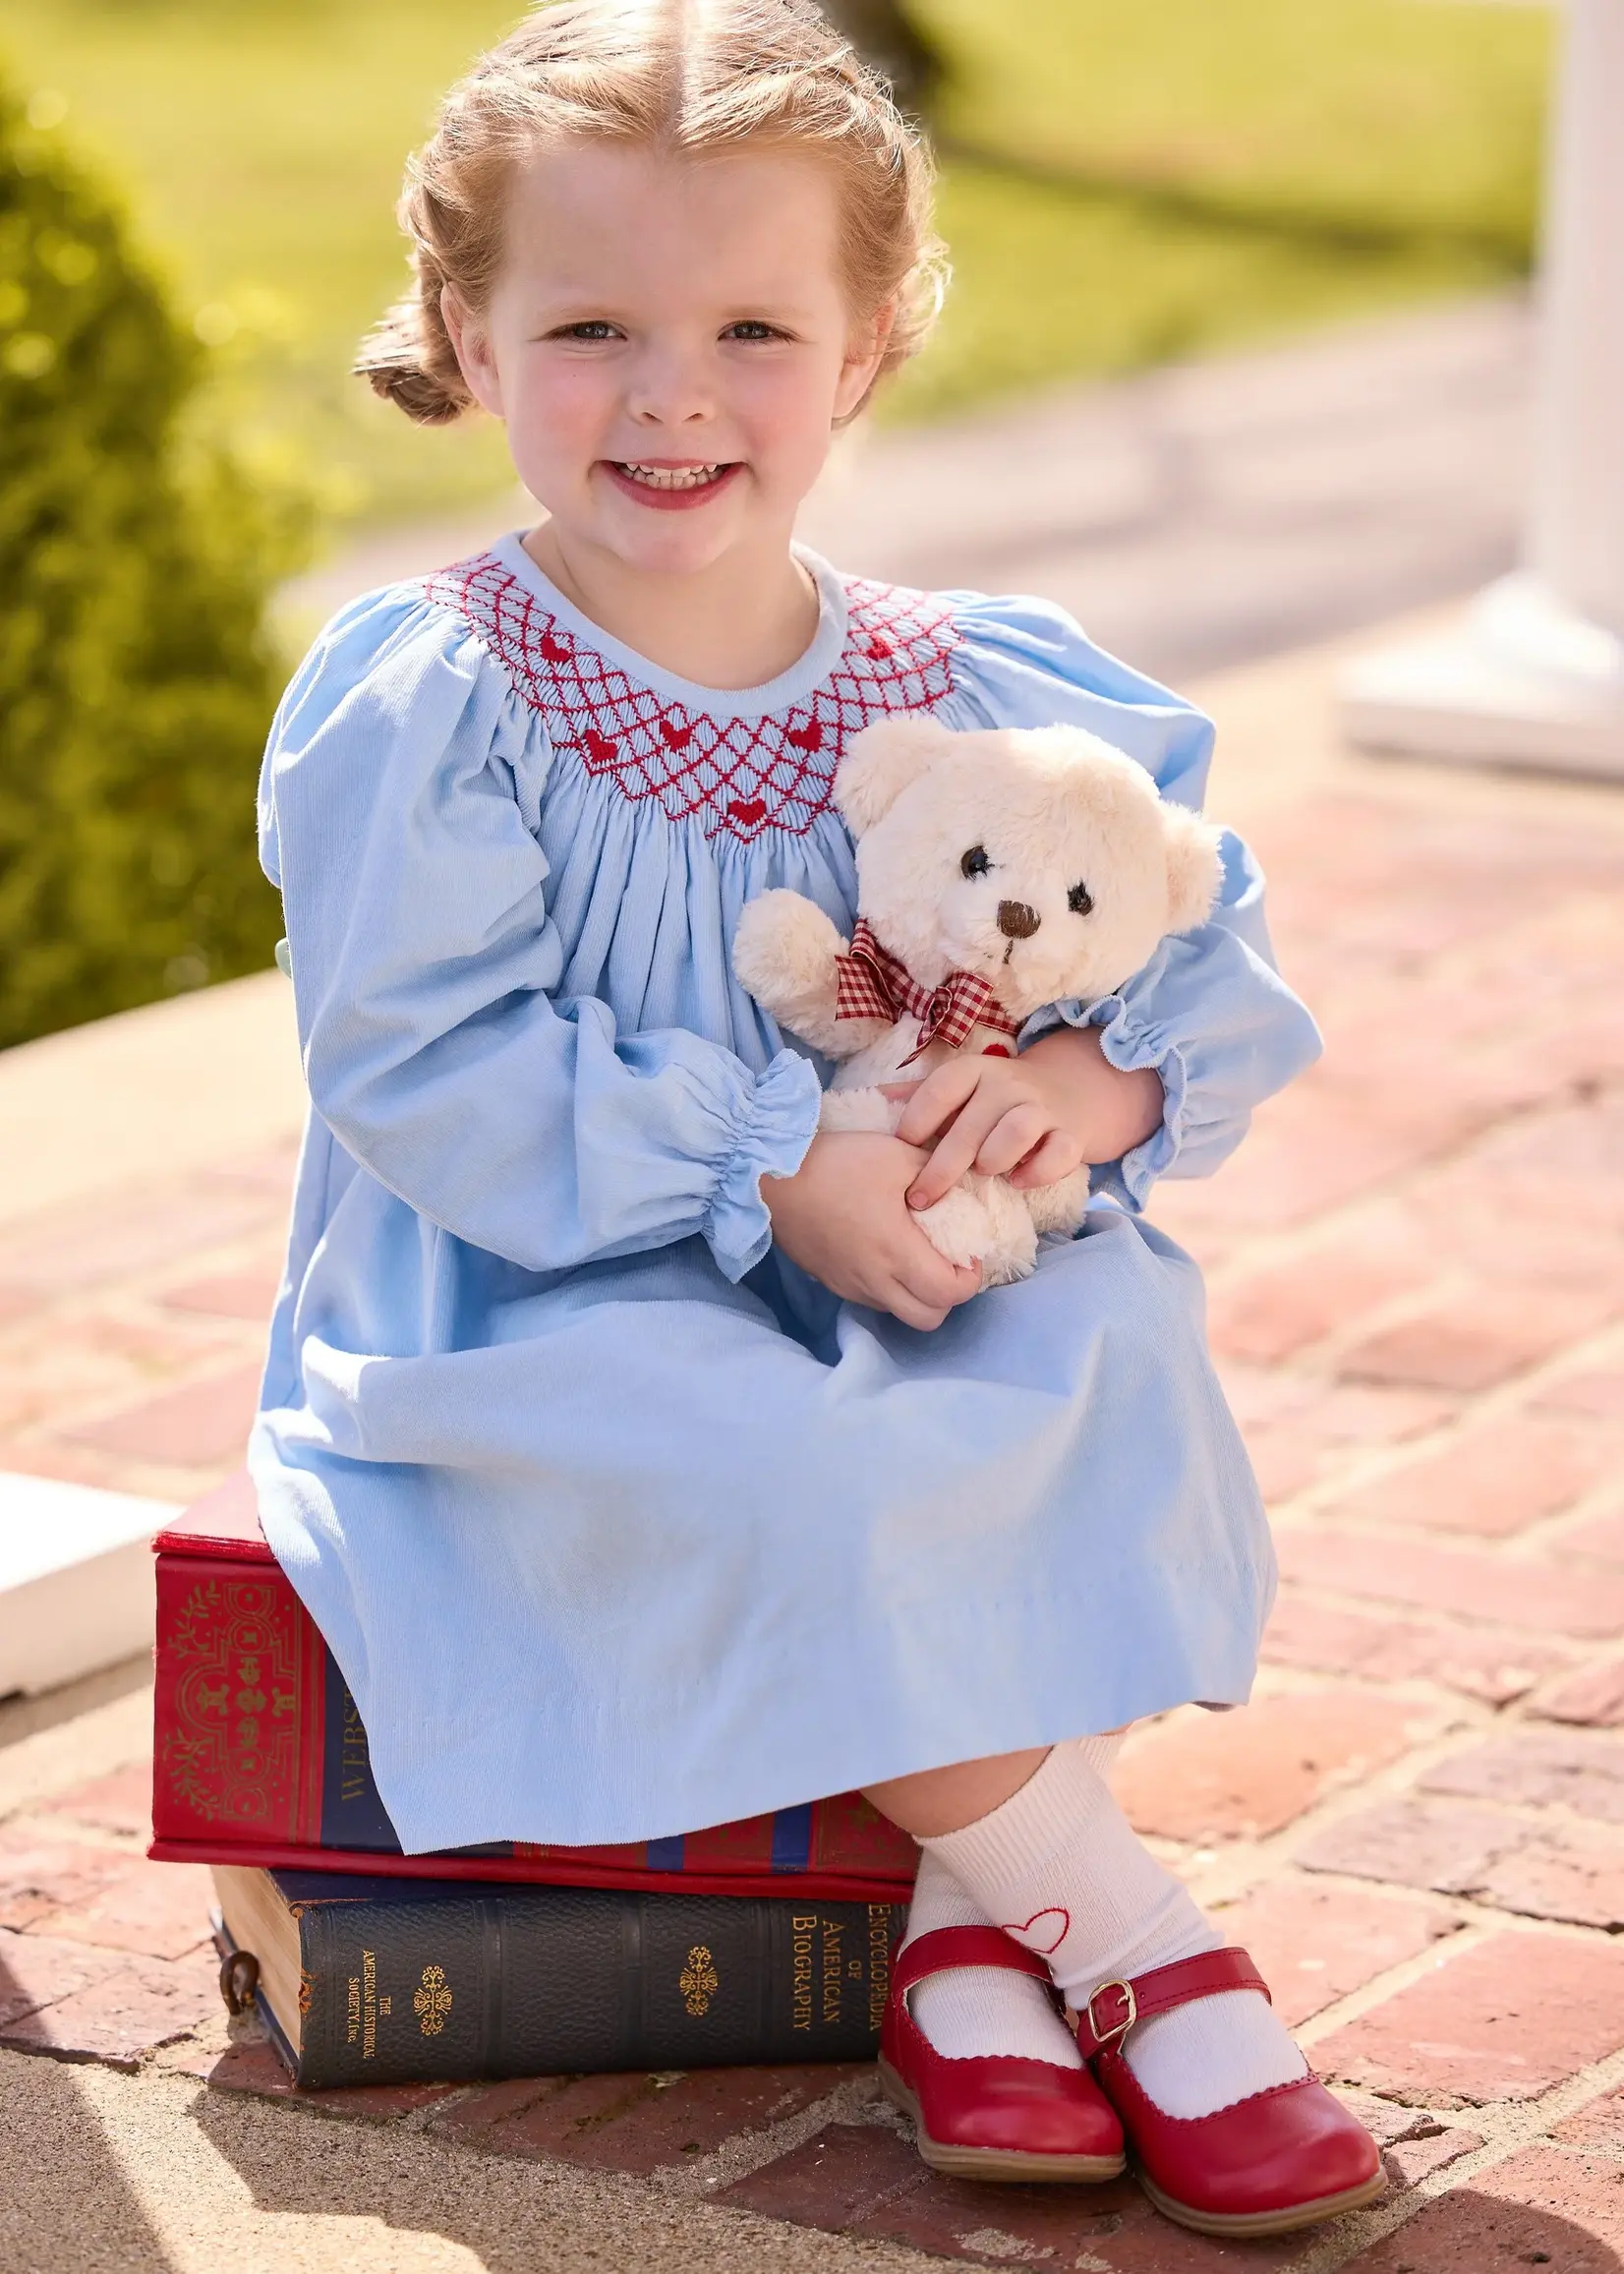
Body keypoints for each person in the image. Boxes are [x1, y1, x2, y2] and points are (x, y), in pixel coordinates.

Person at [253, 0, 1380, 2235]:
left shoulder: (969, 684)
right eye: (588, 323)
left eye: (752, 326)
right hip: (551, 1279)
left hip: (906, 1254)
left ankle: (958, 1927)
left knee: (1104, 1336)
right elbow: (420, 1058)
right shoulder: (443, 692)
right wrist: (758, 1158)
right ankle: (1117, 1930)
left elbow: (1190, 934)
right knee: (766, 1443)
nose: (672, 392)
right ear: (464, 335)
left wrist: (1088, 1079)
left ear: (868, 346)